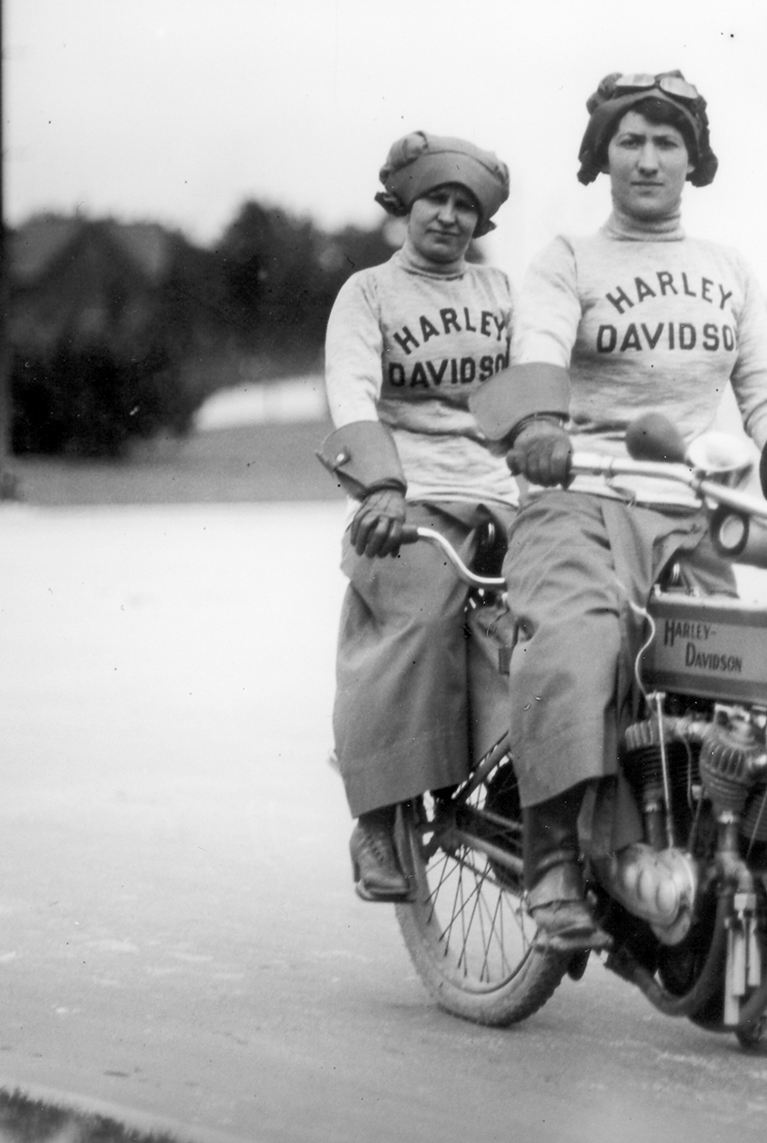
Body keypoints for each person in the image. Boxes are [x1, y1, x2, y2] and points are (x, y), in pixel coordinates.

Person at [469, 71, 767, 952]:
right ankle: (553, 855)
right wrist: (537, 425)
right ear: (602, 155)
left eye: (666, 141)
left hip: (687, 513)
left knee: (743, 682)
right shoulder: (568, 257)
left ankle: (730, 870)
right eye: (629, 140)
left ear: (693, 159)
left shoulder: (728, 272)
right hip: (577, 503)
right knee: (581, 641)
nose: (647, 158)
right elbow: (537, 351)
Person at [317, 132, 515, 902]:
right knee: (420, 614)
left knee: (558, 613)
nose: (450, 216)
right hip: (407, 494)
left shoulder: (501, 294)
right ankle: (378, 812)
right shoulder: (369, 293)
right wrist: (379, 487)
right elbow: (352, 389)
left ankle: (519, 792)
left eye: (466, 205)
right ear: (405, 205)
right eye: (437, 198)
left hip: (499, 489)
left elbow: (531, 390)